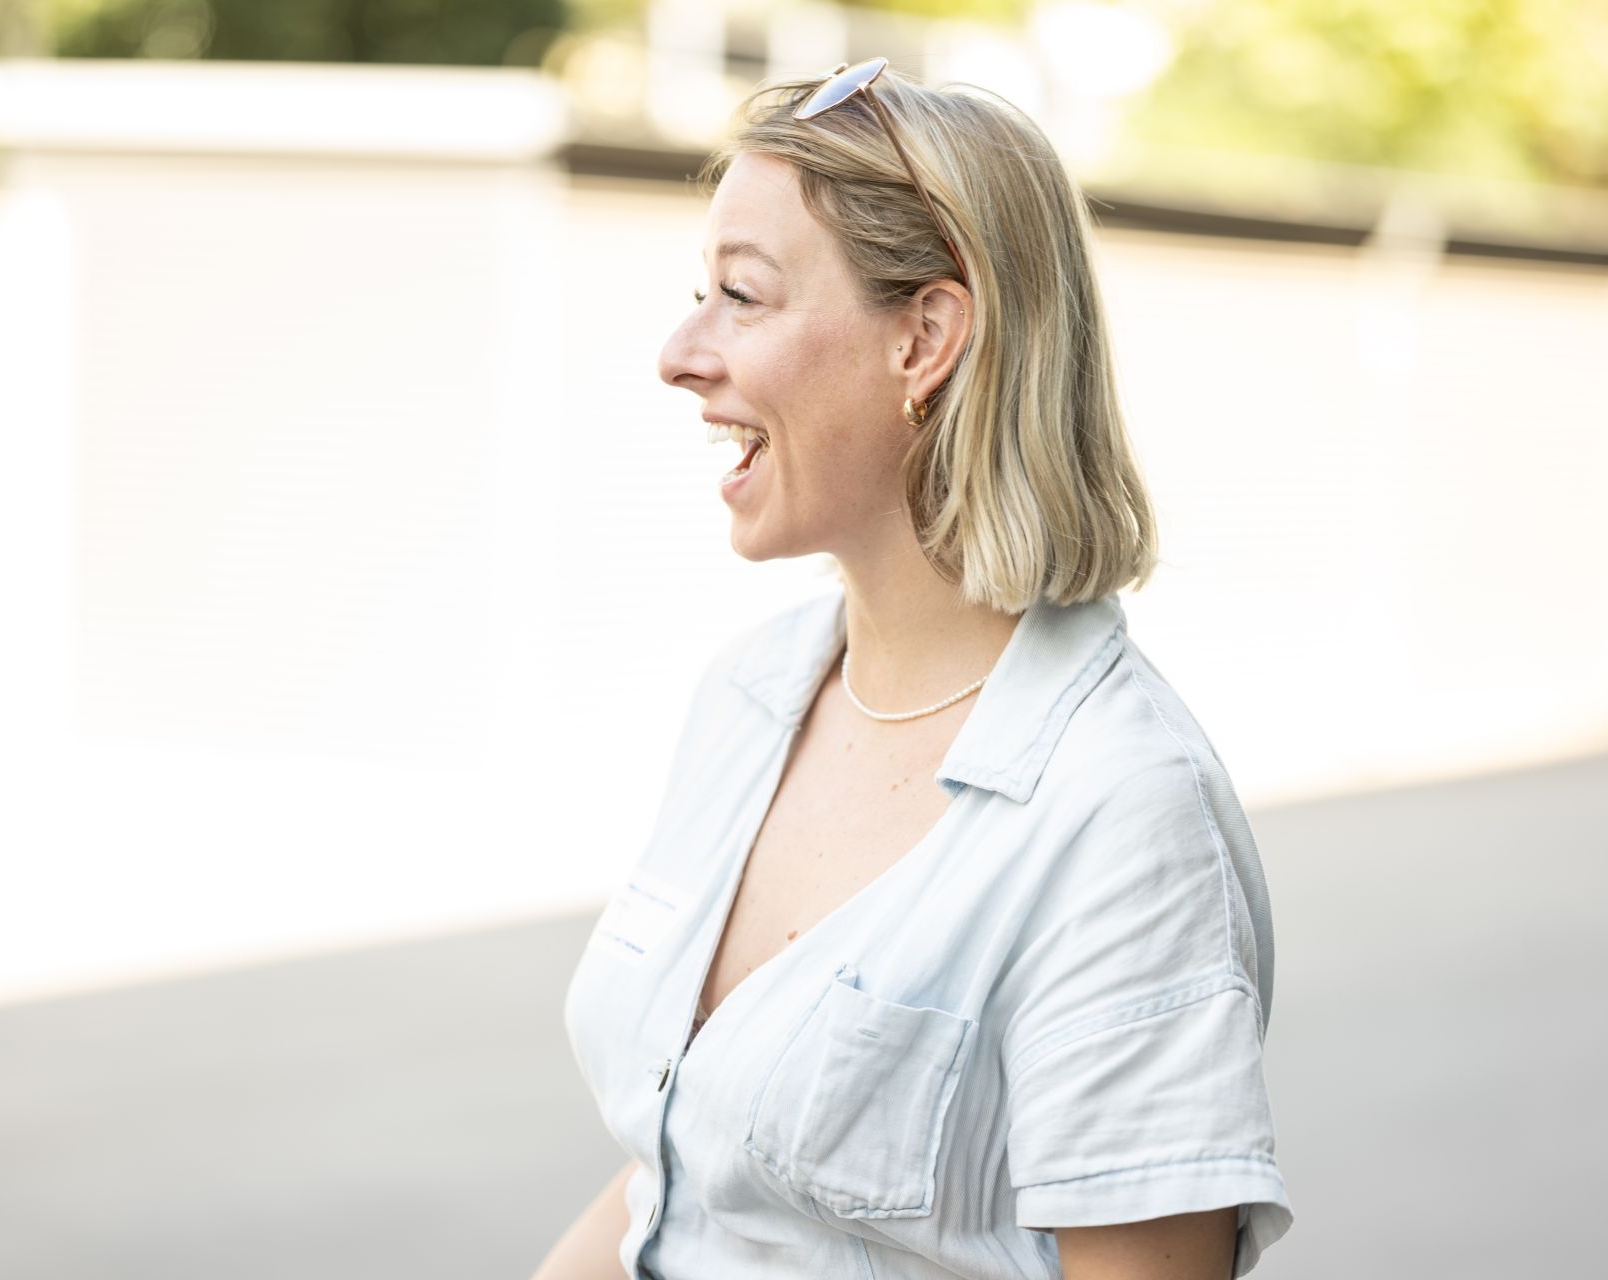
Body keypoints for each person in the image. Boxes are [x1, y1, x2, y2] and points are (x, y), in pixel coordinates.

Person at [534, 58, 1292, 1280]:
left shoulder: (1121, 813)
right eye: (699, 295)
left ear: (925, 338)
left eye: (742, 295)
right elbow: (694, 1169)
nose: (679, 352)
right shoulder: (750, 693)